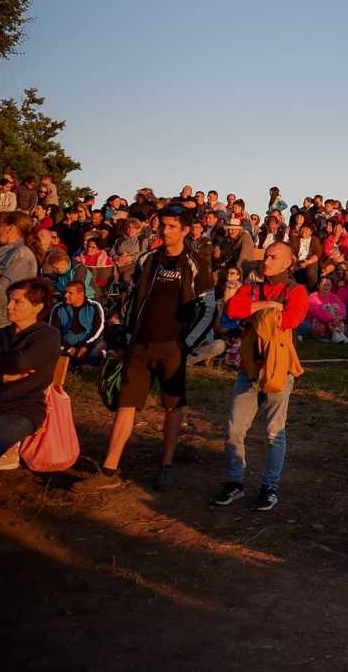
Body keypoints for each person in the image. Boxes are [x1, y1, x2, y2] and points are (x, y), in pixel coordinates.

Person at [83, 205, 211, 494]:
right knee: (126, 403)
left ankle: (166, 465)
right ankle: (109, 469)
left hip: (173, 347)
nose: (165, 231)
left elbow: (208, 308)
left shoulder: (195, 264)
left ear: (186, 230)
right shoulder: (148, 259)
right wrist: (127, 334)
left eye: (172, 226)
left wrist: (188, 344)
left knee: (172, 406)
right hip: (140, 343)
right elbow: (133, 299)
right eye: (162, 225)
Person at [209, 241, 308, 512]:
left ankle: (269, 486)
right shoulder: (252, 287)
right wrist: (269, 304)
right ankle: (234, 482)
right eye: (266, 256)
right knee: (233, 430)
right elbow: (232, 311)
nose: (267, 260)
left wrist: (255, 309)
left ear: (288, 262)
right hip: (249, 368)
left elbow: (290, 319)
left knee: (275, 432)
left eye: (274, 257)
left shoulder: (297, 291)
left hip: (278, 369)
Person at [0, 279, 61, 508]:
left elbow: (20, 362)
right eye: (9, 301)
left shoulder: (47, 336)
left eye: (17, 302)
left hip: (20, 409)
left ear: (37, 306)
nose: (9, 307)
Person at [0, 211, 38, 334]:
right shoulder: (2, 254)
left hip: (0, 326)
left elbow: (1, 294)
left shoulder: (21, 256)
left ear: (10, 228)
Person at [49, 279, 106, 368]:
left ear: (81, 295)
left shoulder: (94, 306)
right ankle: (82, 363)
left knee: (100, 345)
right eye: (65, 292)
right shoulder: (58, 308)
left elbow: (99, 328)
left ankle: (83, 363)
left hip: (89, 341)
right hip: (66, 343)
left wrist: (85, 345)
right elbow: (53, 332)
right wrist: (69, 348)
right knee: (51, 347)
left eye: (70, 293)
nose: (65, 295)